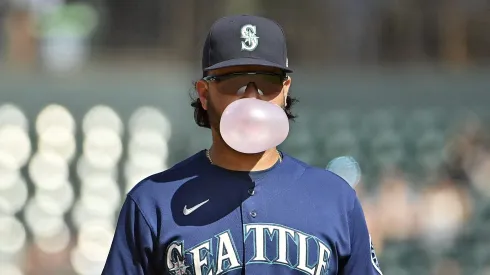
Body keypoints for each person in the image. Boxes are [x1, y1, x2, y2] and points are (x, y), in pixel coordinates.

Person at [102, 14, 383, 275]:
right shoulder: (153, 202)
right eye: (233, 81)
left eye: (267, 81)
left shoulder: (335, 199)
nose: (251, 96)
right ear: (204, 93)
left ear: (285, 90)